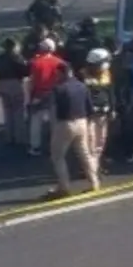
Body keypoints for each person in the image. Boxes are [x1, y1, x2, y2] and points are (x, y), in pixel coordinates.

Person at [47, 61, 100, 199]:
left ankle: (64, 187)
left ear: (61, 73)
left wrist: (53, 127)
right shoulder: (82, 86)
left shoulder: (58, 89)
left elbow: (54, 110)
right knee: (84, 153)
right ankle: (94, 182)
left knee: (58, 156)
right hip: (82, 122)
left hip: (65, 123)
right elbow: (89, 108)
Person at [27, 38, 64, 156]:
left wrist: (29, 98)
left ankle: (35, 147)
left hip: (39, 94)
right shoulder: (59, 62)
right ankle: (56, 146)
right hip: (55, 95)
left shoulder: (35, 62)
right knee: (55, 122)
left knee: (36, 122)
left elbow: (31, 81)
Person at [0, 37, 30, 146]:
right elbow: (25, 71)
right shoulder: (17, 57)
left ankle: (9, 136)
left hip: (3, 84)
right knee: (18, 112)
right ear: (14, 46)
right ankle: (20, 137)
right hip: (15, 84)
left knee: (7, 111)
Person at [84, 47, 113, 160]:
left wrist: (112, 109)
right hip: (90, 114)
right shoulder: (83, 75)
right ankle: (88, 163)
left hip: (103, 112)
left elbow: (111, 92)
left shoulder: (107, 74)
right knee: (90, 138)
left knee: (101, 139)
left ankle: (96, 161)